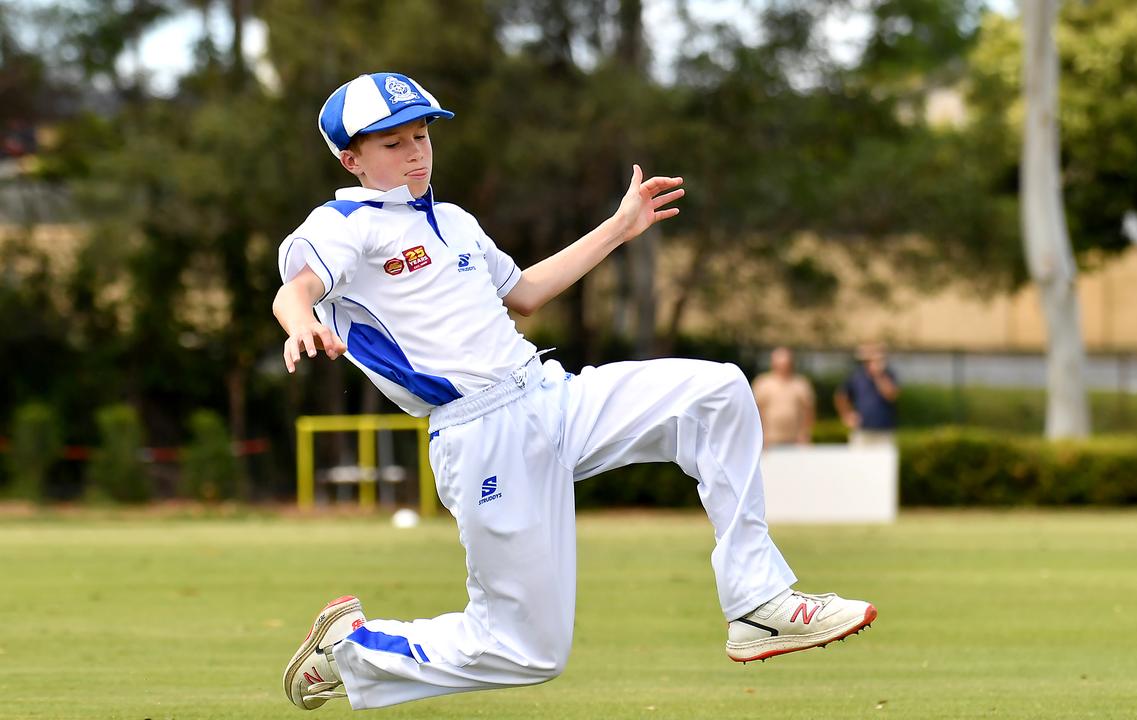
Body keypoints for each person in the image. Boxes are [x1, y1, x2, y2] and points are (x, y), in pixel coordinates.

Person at [274, 72, 876, 712]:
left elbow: (525, 293)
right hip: (481, 438)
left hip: (549, 395)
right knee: (529, 652)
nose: (416, 152)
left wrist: (619, 227)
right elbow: (297, 287)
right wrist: (303, 322)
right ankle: (352, 650)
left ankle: (759, 603)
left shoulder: (453, 220)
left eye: (421, 135)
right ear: (351, 159)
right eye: (393, 144)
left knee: (719, 390)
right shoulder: (345, 223)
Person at [835, 342, 900, 446]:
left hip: (884, 431)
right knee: (858, 461)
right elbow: (841, 396)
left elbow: (891, 395)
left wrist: (878, 376)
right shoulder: (856, 376)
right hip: (861, 430)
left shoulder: (888, 375)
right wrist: (846, 415)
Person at [751, 347, 815, 447]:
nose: (783, 366)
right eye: (780, 364)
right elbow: (755, 410)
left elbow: (808, 410)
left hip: (795, 440)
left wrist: (804, 433)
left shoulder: (801, 384)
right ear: (773, 364)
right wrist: (761, 434)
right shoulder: (762, 383)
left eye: (786, 363)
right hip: (769, 440)